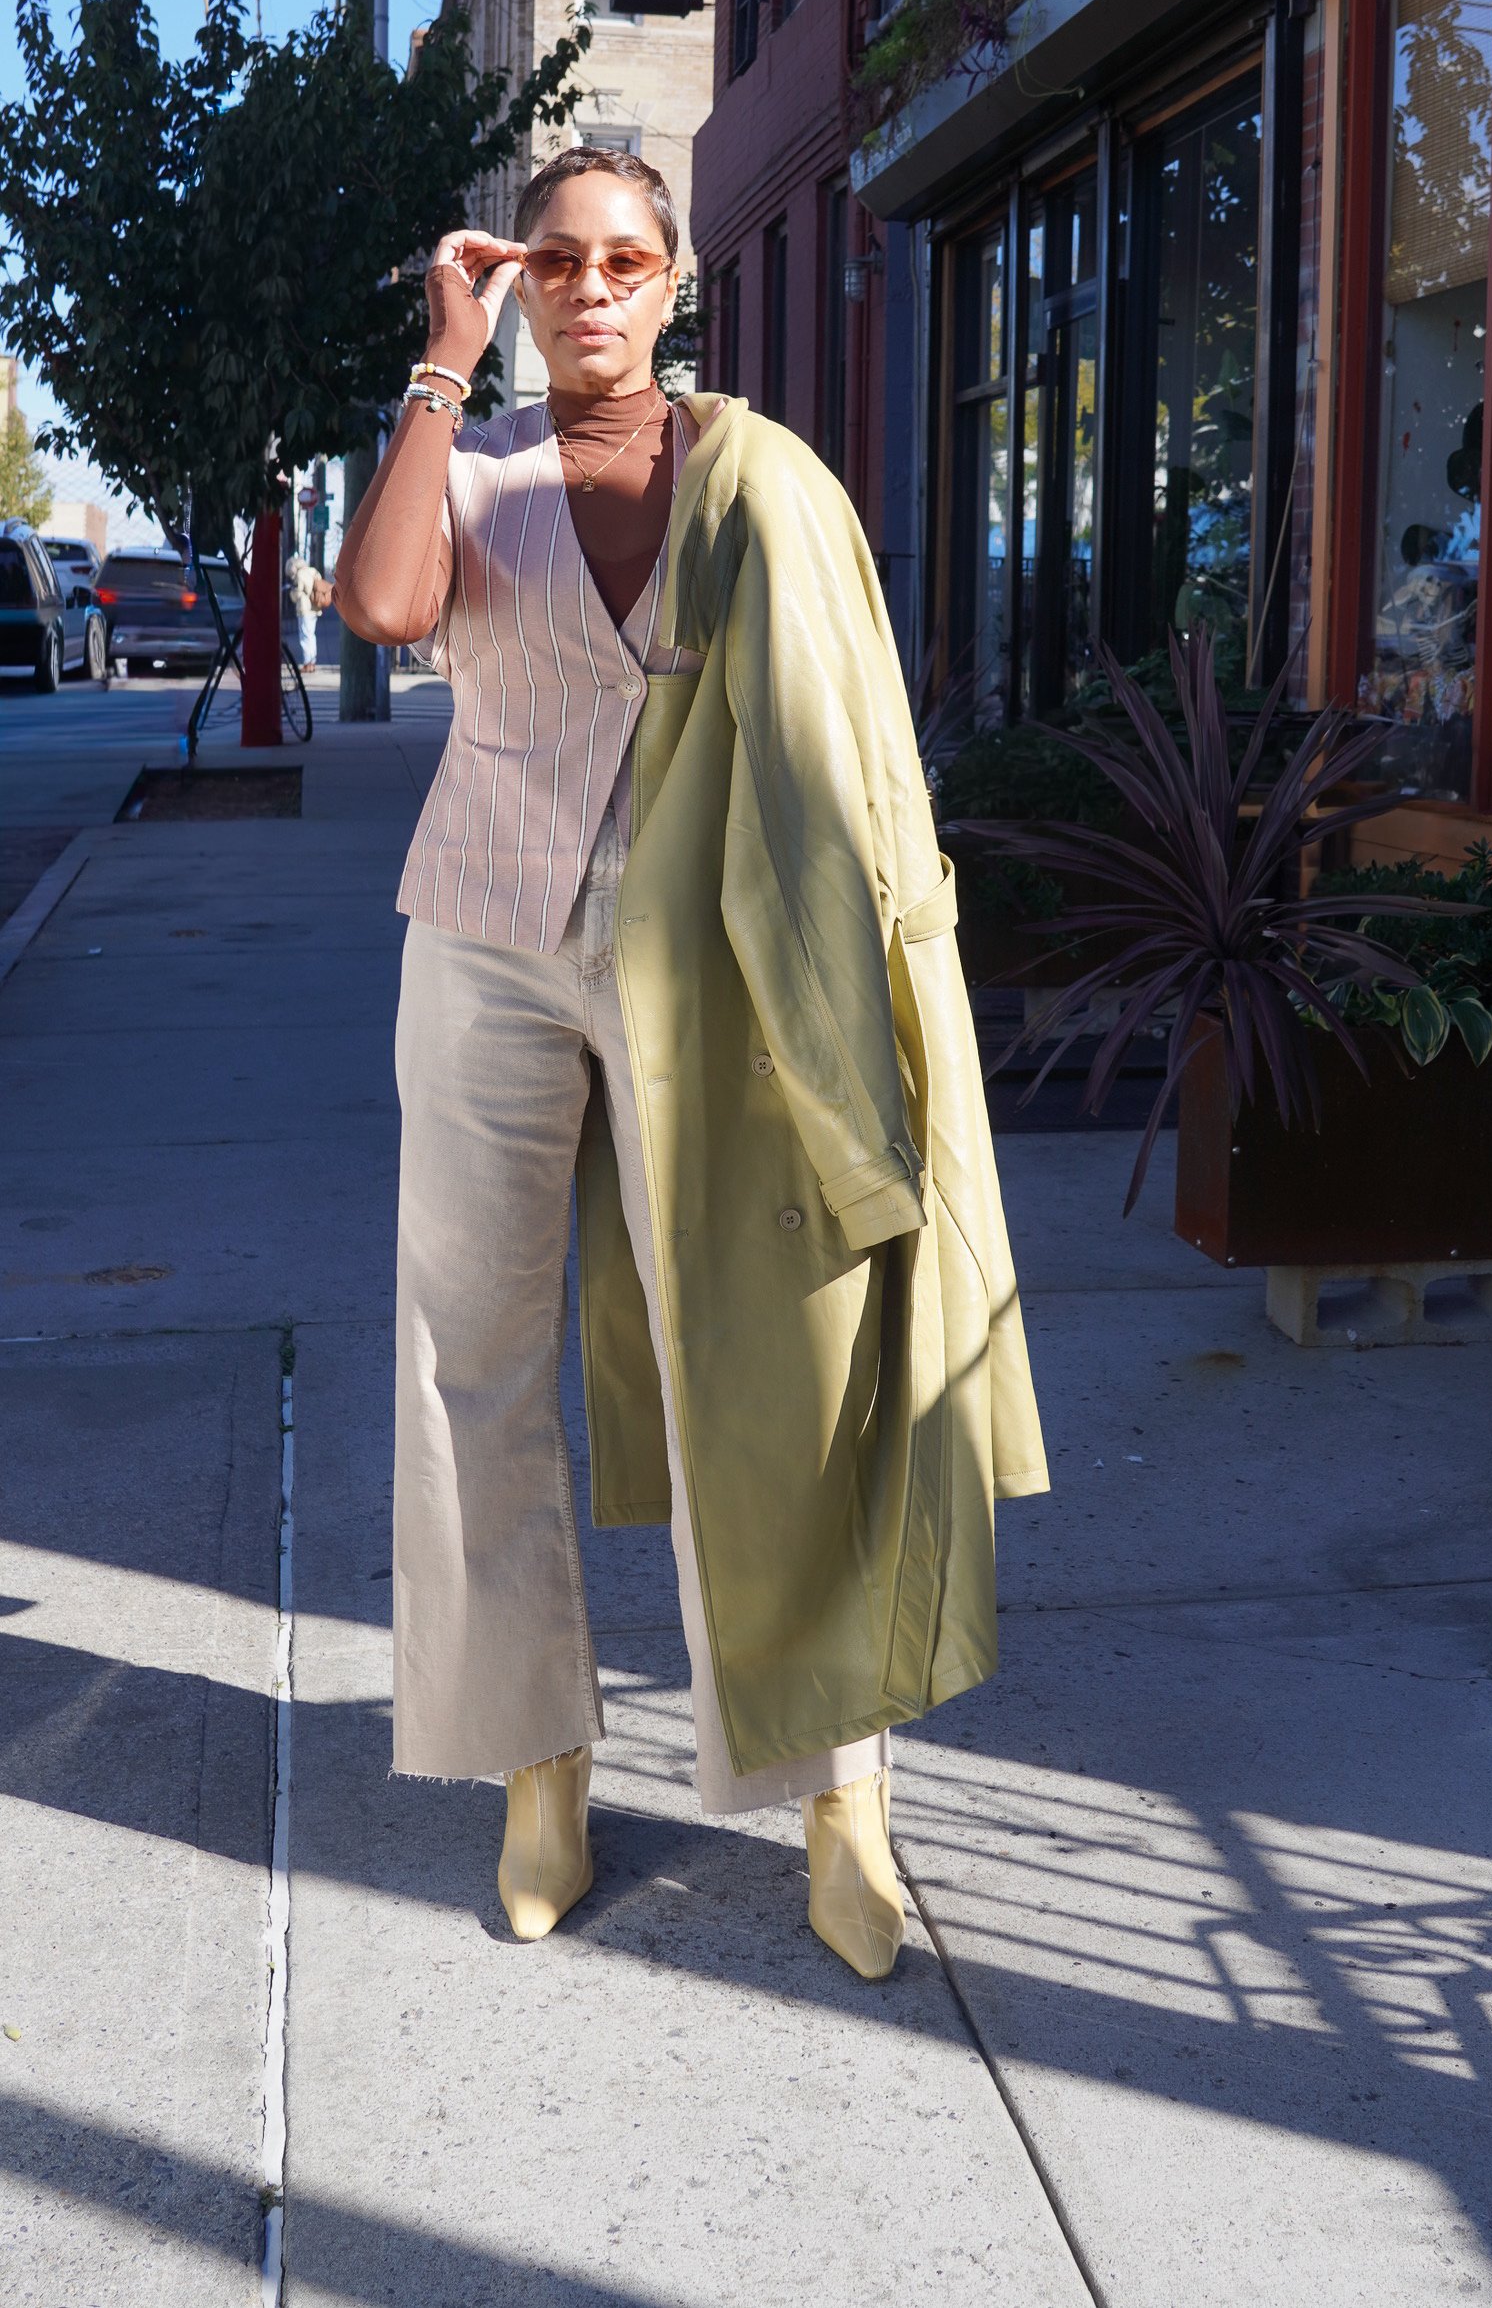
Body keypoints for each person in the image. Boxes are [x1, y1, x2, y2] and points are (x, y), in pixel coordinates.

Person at [334, 146, 1046, 1982]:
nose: (587, 289)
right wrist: (441, 349)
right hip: (485, 934)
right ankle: (537, 1761)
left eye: (622, 261)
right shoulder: (475, 462)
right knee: (462, 1353)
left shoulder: (760, 472)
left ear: (673, 285)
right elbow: (389, 610)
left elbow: (844, 740)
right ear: (517, 284)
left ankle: (839, 1789)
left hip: (719, 960)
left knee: (772, 1340)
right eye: (553, 261)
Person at [286, 548, 331, 673]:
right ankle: (312, 661)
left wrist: (291, 593)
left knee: (305, 636)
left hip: (304, 609)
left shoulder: (300, 575)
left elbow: (298, 594)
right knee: (311, 635)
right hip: (315, 608)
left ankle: (307, 663)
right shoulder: (312, 571)